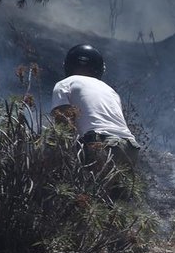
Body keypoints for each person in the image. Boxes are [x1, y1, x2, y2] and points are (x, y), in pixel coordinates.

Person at [51, 44, 141, 196]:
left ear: (68, 65)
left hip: (100, 144)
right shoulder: (110, 90)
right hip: (130, 147)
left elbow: (64, 127)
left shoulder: (65, 84)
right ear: (99, 69)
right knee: (116, 204)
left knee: (89, 198)